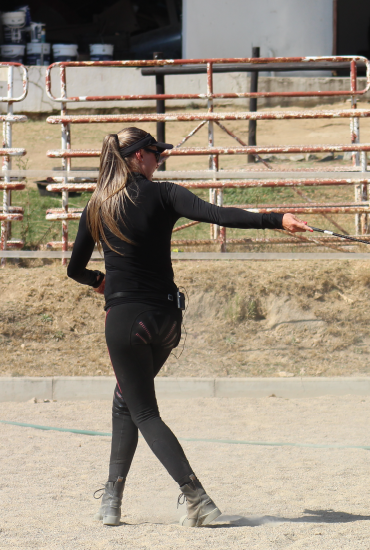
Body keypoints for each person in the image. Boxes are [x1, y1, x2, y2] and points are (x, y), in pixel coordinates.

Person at [67, 127, 312, 527]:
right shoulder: (164, 194)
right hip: (165, 321)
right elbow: (219, 215)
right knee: (125, 400)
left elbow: (74, 269)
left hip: (128, 321)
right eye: (155, 153)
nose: (159, 159)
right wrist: (275, 219)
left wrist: (98, 281)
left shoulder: (98, 205)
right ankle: (111, 500)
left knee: (143, 410)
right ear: (138, 156)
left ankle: (197, 498)